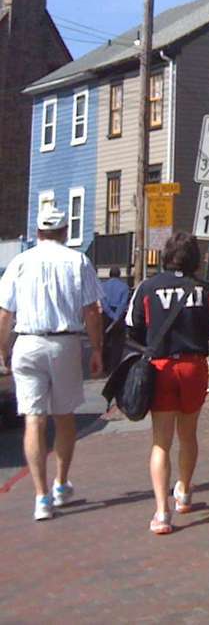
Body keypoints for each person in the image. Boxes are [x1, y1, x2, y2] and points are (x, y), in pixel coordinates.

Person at [0, 206, 104, 521]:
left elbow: (5, 313)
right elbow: (92, 310)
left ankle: (40, 495)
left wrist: (0, 349)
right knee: (64, 415)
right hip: (64, 342)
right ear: (63, 232)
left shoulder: (19, 262)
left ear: (37, 232)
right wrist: (97, 348)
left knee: (34, 419)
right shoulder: (78, 261)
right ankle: (60, 482)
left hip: (28, 341)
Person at [126, 232, 209, 535]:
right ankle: (183, 490)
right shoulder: (206, 291)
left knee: (161, 441)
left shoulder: (147, 288)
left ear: (167, 256)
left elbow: (134, 329)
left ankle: (161, 512)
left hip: (161, 366)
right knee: (189, 434)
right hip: (194, 366)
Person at [99, 266, 130, 374]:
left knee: (105, 341)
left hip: (106, 315)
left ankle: (104, 366)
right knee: (118, 343)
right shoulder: (124, 287)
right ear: (119, 275)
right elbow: (123, 303)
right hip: (119, 314)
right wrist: (116, 316)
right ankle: (114, 367)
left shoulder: (102, 286)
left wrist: (110, 314)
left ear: (109, 274)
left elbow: (102, 302)